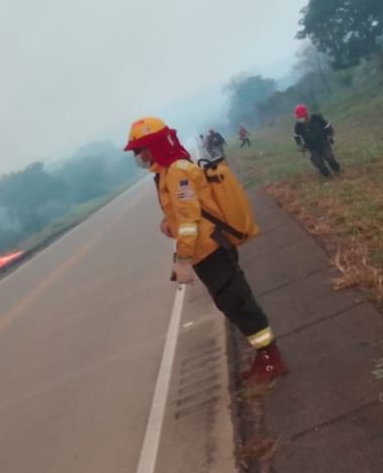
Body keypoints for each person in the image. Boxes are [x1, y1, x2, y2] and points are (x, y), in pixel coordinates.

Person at [124, 116, 288, 385]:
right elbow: (184, 212)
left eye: (141, 149)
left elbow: (189, 220)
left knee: (239, 302)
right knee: (229, 304)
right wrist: (170, 224)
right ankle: (263, 356)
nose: (140, 156)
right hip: (205, 251)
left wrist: (183, 259)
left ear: (154, 146)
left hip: (210, 249)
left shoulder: (176, 171)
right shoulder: (166, 171)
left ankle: (273, 360)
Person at [293, 104, 340, 177]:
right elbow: (296, 136)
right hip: (312, 147)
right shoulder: (298, 125)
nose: (300, 118)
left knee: (329, 156)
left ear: (306, 114)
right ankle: (326, 175)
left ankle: (337, 169)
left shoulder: (317, 118)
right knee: (317, 162)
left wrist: (330, 136)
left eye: (301, 116)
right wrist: (300, 145)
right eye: (299, 117)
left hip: (323, 142)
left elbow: (328, 126)